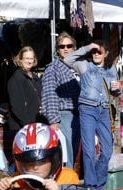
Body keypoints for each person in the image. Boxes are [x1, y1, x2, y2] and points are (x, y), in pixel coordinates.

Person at [64, 40, 119, 190]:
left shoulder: (112, 69)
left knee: (107, 150)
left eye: (99, 51)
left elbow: (114, 93)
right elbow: (68, 59)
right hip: (88, 108)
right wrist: (87, 47)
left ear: (106, 54)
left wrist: (118, 89)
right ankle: (91, 186)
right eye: (94, 52)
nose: (96, 54)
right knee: (89, 149)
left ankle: (99, 184)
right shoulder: (85, 65)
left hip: (105, 110)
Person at [0, 123, 78, 190]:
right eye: (29, 163)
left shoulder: (67, 177)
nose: (35, 167)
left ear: (54, 160)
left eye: (41, 161)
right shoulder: (15, 182)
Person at [41, 32, 80, 169]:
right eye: (62, 46)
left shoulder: (77, 67)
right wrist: (54, 120)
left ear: (74, 48)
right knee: (66, 155)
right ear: (57, 49)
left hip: (78, 115)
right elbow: (49, 94)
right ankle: (65, 187)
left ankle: (68, 185)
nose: (66, 49)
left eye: (69, 46)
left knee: (74, 153)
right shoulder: (53, 68)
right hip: (64, 115)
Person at [6, 46, 43, 159]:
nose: (29, 61)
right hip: (22, 127)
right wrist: (28, 125)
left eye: (31, 58)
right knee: (23, 159)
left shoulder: (35, 77)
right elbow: (16, 106)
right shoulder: (16, 78)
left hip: (35, 125)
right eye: (26, 58)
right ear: (20, 59)